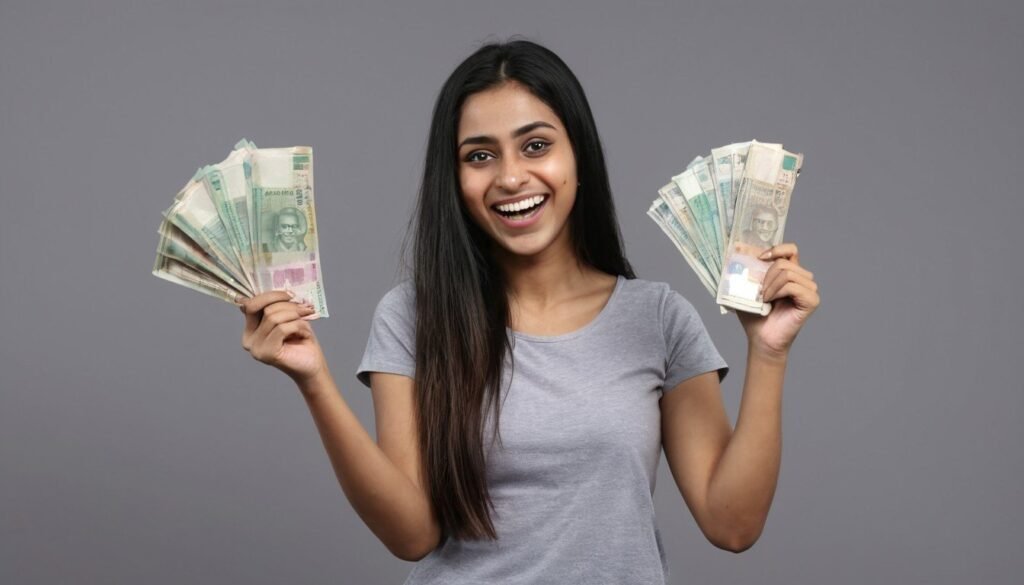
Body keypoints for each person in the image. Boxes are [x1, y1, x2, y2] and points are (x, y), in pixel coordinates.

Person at [238, 40, 819, 584]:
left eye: (536, 145)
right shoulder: (414, 315)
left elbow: (733, 525)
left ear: (578, 155)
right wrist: (313, 380)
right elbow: (411, 536)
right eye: (480, 155)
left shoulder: (659, 319)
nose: (511, 176)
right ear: (456, 178)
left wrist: (768, 353)